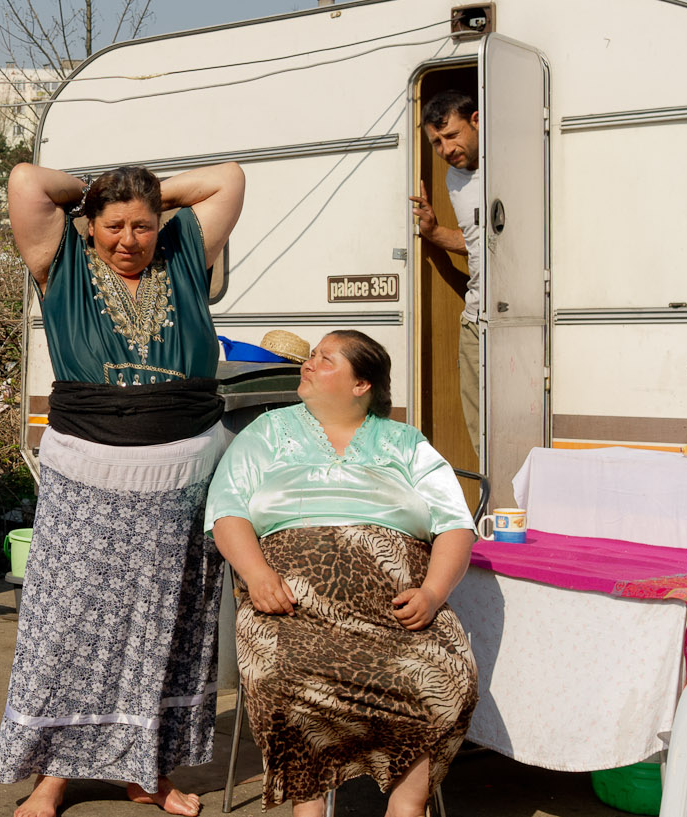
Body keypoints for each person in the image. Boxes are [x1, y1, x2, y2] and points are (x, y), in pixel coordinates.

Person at [0, 160, 245, 817]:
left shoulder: (185, 251)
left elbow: (229, 178)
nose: (129, 238)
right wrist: (101, 186)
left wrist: (150, 191)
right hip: (88, 475)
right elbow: (26, 180)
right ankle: (52, 778)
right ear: (89, 225)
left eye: (142, 224)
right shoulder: (61, 258)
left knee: (167, 624)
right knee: (68, 625)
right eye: (113, 225)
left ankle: (145, 771)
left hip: (182, 479)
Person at [206, 330, 479, 817]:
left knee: (448, 675)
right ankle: (308, 808)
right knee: (280, 673)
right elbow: (227, 510)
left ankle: (406, 806)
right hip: (292, 604)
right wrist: (257, 574)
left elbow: (456, 524)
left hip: (395, 613)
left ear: (361, 385)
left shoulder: (403, 441)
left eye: (325, 360)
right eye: (311, 356)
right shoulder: (267, 432)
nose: (308, 364)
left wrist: (434, 593)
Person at [408, 89, 484, 457]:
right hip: (476, 320)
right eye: (436, 142)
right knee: (480, 426)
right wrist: (433, 232)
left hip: (516, 318)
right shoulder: (455, 178)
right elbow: (476, 241)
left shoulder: (507, 165)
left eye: (451, 136)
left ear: (477, 121)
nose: (445, 149)